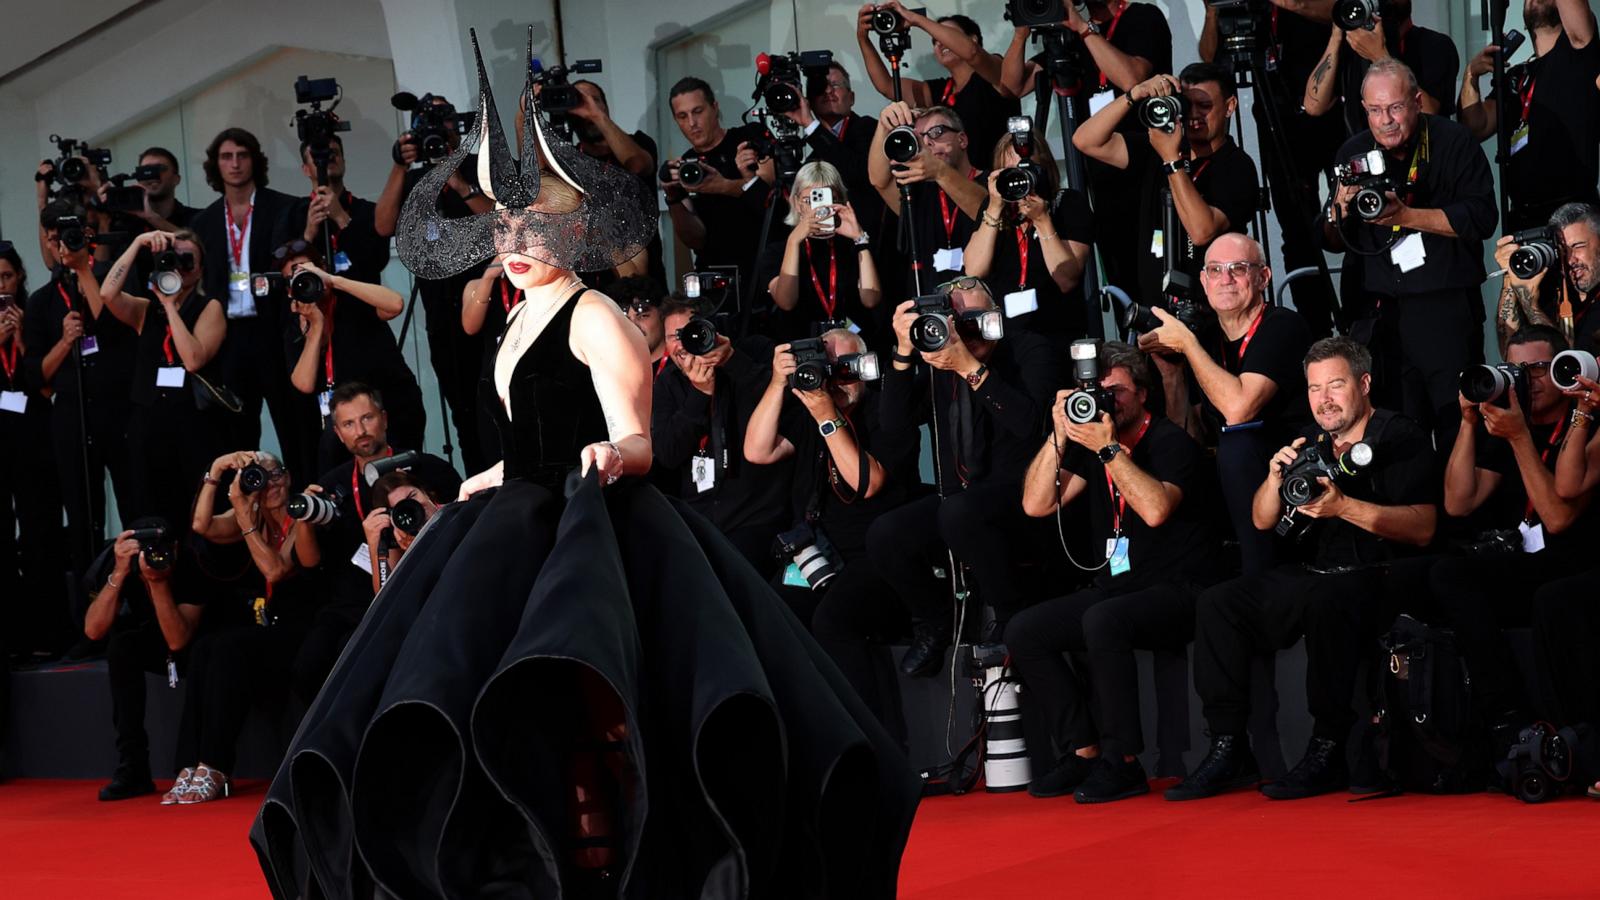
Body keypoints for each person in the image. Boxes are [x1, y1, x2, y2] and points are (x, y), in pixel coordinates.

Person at [252, 38, 916, 900]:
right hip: (514, 517)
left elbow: (636, 441)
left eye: (536, 226)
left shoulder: (596, 312)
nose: (517, 241)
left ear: (576, 228)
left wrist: (605, 455)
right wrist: (483, 480)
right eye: (504, 227)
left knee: (599, 700)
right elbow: (524, 436)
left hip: (595, 526)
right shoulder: (516, 321)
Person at [1168, 338, 1438, 802]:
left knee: (1329, 599)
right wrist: (1275, 480)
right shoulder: (1311, 445)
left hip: (1384, 572)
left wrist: (1344, 506)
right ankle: (1229, 745)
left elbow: (1424, 529)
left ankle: (1329, 746)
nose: (1324, 399)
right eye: (1315, 389)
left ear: (1365, 384)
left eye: (1336, 385)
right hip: (1317, 572)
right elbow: (1261, 520)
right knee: (1219, 602)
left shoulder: (1398, 436)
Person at [1011, 342, 1222, 802]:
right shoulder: (1090, 447)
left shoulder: (1170, 442)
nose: (1107, 402)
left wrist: (1109, 450)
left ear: (1143, 394)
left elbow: (1155, 510)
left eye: (1118, 392)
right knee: (1026, 630)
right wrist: (1059, 432)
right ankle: (1084, 751)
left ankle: (1123, 762)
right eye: (1097, 391)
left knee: (1103, 619)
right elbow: (1036, 504)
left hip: (1182, 589)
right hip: (1119, 587)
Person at [871, 276, 1060, 676]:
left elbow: (1029, 424)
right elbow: (894, 425)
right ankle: (934, 621)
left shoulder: (1029, 348)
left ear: (996, 315)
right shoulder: (938, 360)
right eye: (954, 320)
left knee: (959, 513)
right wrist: (904, 352)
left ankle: (1012, 619)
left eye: (974, 318)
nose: (965, 329)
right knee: (887, 533)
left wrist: (969, 367)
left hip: (1024, 493)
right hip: (958, 498)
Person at [745, 330, 920, 744]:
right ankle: (806, 746)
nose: (835, 379)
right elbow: (758, 450)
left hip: (878, 559)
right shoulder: (810, 410)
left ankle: (878, 747)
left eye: (843, 367)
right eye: (826, 368)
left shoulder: (887, 411)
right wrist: (777, 382)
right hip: (819, 556)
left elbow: (865, 483)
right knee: (769, 615)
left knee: (834, 621)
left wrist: (828, 413)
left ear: (864, 368)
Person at [1428, 326, 1596, 751]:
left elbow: (1557, 518)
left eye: (1539, 368)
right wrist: (1468, 424)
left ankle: (1575, 738)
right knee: (1449, 573)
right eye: (1517, 370)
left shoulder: (1584, 421)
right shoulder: (1503, 424)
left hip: (1579, 557)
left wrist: (1520, 436)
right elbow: (1457, 503)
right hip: (1530, 563)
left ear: (1564, 369)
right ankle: (1507, 718)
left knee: (1554, 598)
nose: (1529, 380)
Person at [1324, 59, 1497, 456]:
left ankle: (1463, 517)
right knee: (1393, 436)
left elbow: (1482, 217)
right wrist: (1339, 211)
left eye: (1396, 108)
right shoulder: (1353, 152)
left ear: (1417, 102)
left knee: (1458, 428)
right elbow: (1332, 239)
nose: (1385, 121)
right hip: (1380, 320)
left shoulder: (1453, 142)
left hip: (1445, 312)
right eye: (1374, 110)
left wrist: (1406, 216)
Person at [1138, 234, 1313, 574]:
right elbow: (1189, 430)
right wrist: (1173, 377)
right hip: (1239, 473)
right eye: (1215, 270)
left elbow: (1238, 410)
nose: (1226, 279)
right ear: (1203, 281)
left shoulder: (1282, 325)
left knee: (1236, 440)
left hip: (1291, 461)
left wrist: (1187, 344)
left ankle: (1260, 575)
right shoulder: (1208, 336)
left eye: (1238, 268)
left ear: (1264, 277)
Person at [289, 382, 459, 706]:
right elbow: (309, 564)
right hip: (350, 603)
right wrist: (304, 521)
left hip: (415, 587)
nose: (361, 430)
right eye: (349, 424)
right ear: (338, 433)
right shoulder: (331, 485)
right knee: (307, 667)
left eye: (366, 418)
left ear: (383, 418)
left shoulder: (426, 468)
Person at [178, 449, 323, 804]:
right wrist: (216, 469)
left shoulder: (300, 514)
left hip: (309, 628)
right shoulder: (254, 514)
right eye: (258, 477)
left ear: (288, 478)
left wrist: (243, 514)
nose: (269, 484)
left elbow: (276, 570)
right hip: (275, 627)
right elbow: (202, 525)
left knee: (230, 647)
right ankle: (188, 765)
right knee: (205, 647)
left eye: (274, 475)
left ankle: (216, 765)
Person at [1002, 0, 1173, 296]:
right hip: (1100, 177)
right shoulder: (1070, 38)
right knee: (1122, 281)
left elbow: (1133, 78)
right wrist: (1021, 33)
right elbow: (1012, 86)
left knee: (1154, 278)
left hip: (1144, 166)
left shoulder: (1141, 16)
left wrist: (1083, 28)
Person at [1202, 0, 1347, 336]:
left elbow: (1336, 9)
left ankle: (1361, 317)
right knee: (1296, 232)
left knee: (1352, 217)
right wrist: (1211, 10)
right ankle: (1316, 334)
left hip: (1331, 113)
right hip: (1276, 116)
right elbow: (1210, 59)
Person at [376, 92, 497, 473]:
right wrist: (399, 168)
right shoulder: (413, 180)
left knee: (496, 408)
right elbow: (382, 225)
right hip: (442, 316)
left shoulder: (481, 167)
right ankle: (479, 491)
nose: (438, 132)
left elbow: (501, 225)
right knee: (462, 414)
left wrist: (460, 183)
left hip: (489, 311)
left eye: (444, 121)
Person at [1073, 64, 1261, 305]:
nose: (1194, 115)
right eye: (1186, 105)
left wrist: (1172, 162)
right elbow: (1085, 140)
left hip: (1209, 311)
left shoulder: (1237, 166)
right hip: (1155, 309)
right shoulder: (1158, 148)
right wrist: (1134, 94)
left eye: (1204, 106)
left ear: (1230, 106)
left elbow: (1202, 231)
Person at [190, 128, 318, 480]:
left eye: (242, 155)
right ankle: (244, 514)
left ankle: (307, 503)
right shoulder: (203, 221)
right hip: (228, 338)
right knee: (236, 435)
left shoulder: (285, 207)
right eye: (226, 156)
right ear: (216, 165)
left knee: (296, 427)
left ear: (254, 160)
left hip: (275, 331)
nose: (234, 164)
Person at [22, 201, 140, 583]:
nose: (63, 248)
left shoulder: (110, 278)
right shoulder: (41, 301)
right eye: (55, 240)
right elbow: (34, 374)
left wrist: (84, 269)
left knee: (133, 500)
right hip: (71, 414)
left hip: (117, 409)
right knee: (82, 512)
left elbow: (110, 322)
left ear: (86, 237)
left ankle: (143, 593)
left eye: (69, 237)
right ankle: (91, 600)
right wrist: (64, 342)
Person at [93, 229, 226, 529]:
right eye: (172, 259)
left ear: (201, 269)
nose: (179, 266)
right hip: (148, 420)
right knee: (150, 505)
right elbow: (106, 294)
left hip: (191, 422)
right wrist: (137, 243)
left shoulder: (210, 307)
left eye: (187, 260)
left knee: (193, 505)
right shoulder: (145, 309)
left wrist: (170, 305)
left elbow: (193, 360)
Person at [652, 295, 791, 575]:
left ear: (712, 329)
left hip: (756, 516)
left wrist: (733, 362)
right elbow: (667, 453)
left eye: (690, 333)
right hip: (699, 517)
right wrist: (699, 395)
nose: (683, 345)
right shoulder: (668, 381)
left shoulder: (752, 352)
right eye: (673, 337)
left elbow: (787, 401)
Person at [83, 518, 208, 801]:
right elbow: (93, 630)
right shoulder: (122, 566)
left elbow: (178, 640)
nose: (155, 554)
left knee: (209, 652)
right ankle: (134, 767)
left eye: (162, 548)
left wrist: (156, 581)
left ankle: (199, 765)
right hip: (153, 638)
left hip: (198, 644)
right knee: (122, 647)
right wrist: (119, 570)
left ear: (175, 547)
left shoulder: (191, 564)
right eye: (146, 548)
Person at [276, 239, 426, 471]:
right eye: (294, 280)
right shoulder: (296, 325)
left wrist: (334, 281)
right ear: (288, 290)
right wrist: (315, 328)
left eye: (309, 272)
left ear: (322, 268)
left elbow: (395, 304)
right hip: (342, 427)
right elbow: (303, 383)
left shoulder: (353, 297)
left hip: (391, 411)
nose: (305, 282)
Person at [1459, 0, 1600, 231]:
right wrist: (1471, 75)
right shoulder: (1517, 76)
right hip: (1524, 219)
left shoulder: (1577, 54)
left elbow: (1579, 29)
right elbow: (1476, 126)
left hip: (1574, 216)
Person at [0, 245, 68, 661]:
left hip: (34, 438)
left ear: (20, 277)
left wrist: (23, 341)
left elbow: (45, 387)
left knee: (41, 534)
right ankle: (11, 636)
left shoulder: (36, 312)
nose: (1, 286)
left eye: (7, 277)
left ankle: (50, 633)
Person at [963, 131, 1093, 345]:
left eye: (1025, 169)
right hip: (1002, 338)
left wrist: (1042, 220)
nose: (1018, 179)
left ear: (1043, 168)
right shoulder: (994, 209)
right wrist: (995, 207)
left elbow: (1066, 279)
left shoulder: (1067, 203)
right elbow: (974, 271)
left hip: (1054, 334)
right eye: (1010, 172)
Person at [855, 2, 1022, 160]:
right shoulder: (940, 90)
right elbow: (886, 85)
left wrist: (916, 20)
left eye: (945, 34)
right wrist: (863, 38)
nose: (940, 43)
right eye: (934, 41)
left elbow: (972, 53)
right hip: (959, 182)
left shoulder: (994, 71)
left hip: (999, 178)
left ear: (973, 39)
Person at [659, 76, 779, 292]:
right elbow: (695, 240)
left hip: (766, 270)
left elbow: (770, 194)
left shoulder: (747, 137)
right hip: (715, 278)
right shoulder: (686, 167)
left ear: (714, 108)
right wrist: (673, 197)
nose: (692, 123)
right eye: (682, 116)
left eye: (698, 111)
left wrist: (721, 186)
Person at [754, 161, 883, 344]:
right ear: (797, 204)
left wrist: (860, 239)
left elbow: (871, 300)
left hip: (852, 343)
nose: (819, 208)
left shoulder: (855, 245)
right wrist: (794, 241)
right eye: (811, 200)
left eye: (827, 199)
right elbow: (786, 301)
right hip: (801, 344)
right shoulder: (778, 250)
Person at [866, 101, 987, 284]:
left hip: (983, 302)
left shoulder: (990, 181)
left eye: (936, 132)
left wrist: (940, 172)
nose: (928, 142)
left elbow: (986, 210)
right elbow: (878, 180)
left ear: (962, 139)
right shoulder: (919, 191)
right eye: (920, 138)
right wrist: (884, 126)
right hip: (932, 305)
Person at [1303, 0, 1459, 137]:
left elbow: (1429, 114)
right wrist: (1337, 33)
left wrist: (1380, 57)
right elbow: (1314, 106)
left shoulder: (1434, 44)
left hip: (1418, 160)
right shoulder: (1355, 46)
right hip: (1363, 158)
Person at [1494, 203, 1600, 355]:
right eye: (1563, 249)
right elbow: (1508, 350)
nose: (1570, 259)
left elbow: (1568, 368)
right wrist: (1510, 276)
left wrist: (1530, 303)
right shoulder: (1555, 291)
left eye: (1578, 246)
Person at [359, 468, 448, 595]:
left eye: (412, 496)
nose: (413, 507)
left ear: (424, 491)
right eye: (402, 508)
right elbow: (387, 598)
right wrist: (375, 544)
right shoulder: (399, 540)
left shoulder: (455, 511)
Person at [126, 147, 199, 232]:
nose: (152, 176)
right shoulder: (125, 222)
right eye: (146, 171)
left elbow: (198, 244)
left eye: (161, 169)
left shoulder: (198, 218)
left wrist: (154, 219)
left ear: (176, 179)